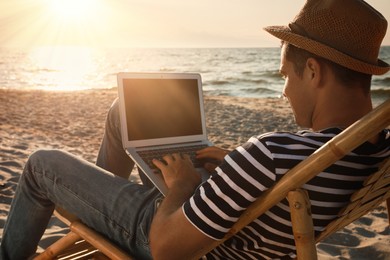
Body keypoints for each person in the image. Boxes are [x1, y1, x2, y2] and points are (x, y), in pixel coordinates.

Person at [1, 0, 390, 259]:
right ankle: (97, 210)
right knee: (127, 110)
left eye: (285, 76)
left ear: (312, 71)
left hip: (178, 232)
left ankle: (87, 223)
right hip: (231, 213)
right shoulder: (377, 146)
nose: (284, 91)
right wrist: (235, 164)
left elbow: (167, 247)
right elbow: (271, 179)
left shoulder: (271, 154)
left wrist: (185, 185)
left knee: (40, 165)